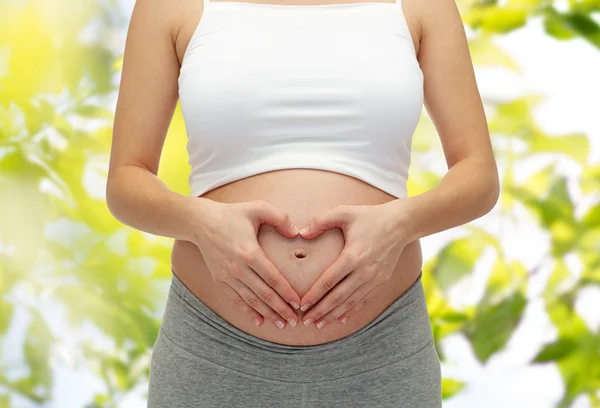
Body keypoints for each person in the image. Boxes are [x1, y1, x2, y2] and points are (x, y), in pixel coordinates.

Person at [106, 0, 499, 406]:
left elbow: (479, 175)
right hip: (214, 350)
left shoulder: (422, 6)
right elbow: (125, 181)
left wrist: (400, 224)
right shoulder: (169, 5)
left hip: (381, 352)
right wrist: (201, 224)